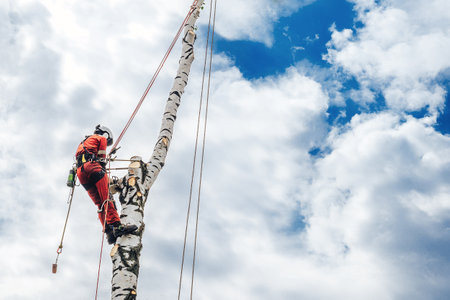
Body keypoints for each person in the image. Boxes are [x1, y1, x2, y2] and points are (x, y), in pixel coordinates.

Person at [75, 125, 137, 244]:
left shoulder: (84, 142)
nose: (106, 143)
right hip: (93, 168)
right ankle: (117, 226)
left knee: (99, 203)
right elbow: (102, 157)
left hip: (81, 173)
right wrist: (103, 167)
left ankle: (109, 232)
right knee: (106, 198)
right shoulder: (101, 138)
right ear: (106, 135)